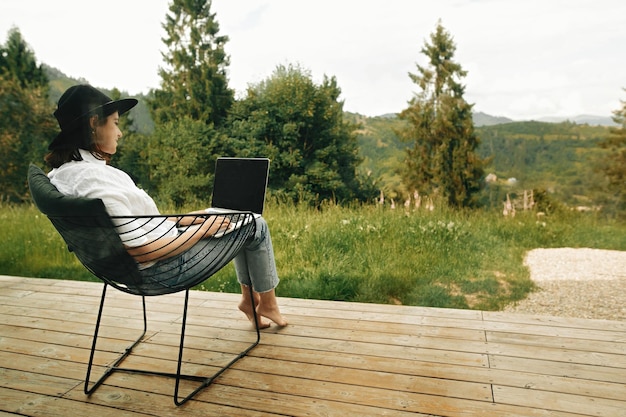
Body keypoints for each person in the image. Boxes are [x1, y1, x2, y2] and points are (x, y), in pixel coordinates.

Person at [44, 84, 287, 328]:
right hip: (163, 269)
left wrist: (184, 219)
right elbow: (142, 251)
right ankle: (267, 304)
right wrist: (202, 230)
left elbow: (132, 225)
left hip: (145, 259)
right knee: (255, 223)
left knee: (233, 219)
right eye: (115, 123)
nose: (120, 133)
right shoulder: (94, 181)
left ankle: (250, 301)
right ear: (94, 123)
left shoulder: (64, 175)